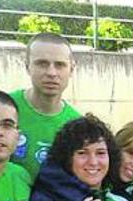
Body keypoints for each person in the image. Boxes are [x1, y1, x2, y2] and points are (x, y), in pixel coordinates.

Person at [11, 32, 82, 180]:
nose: (51, 73)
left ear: (71, 69)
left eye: (60, 65)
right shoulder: (5, 108)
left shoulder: (77, 125)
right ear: (27, 67)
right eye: (42, 64)